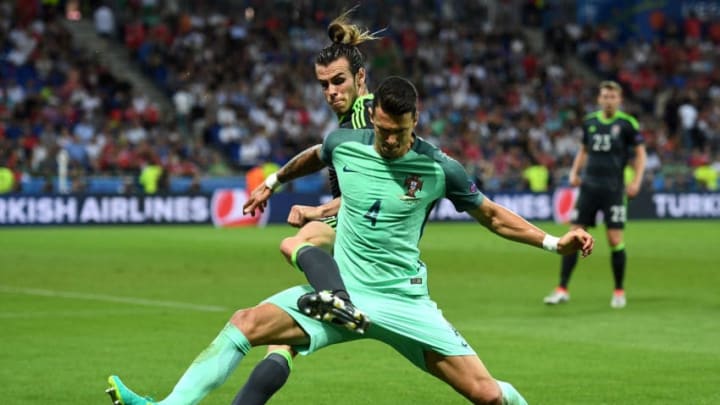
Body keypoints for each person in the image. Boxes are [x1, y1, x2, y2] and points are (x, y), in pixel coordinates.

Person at [106, 76, 594, 405]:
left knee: (487, 396)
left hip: (404, 302)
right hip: (343, 296)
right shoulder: (348, 145)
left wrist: (554, 243)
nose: (388, 141)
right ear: (374, 118)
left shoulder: (438, 168)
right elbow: (313, 155)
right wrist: (274, 183)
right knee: (245, 323)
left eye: (398, 133)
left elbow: (491, 216)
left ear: (414, 123)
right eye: (382, 130)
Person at [228, 10, 380, 405]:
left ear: (360, 78)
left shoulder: (367, 117)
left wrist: (316, 211)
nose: (329, 91)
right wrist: (275, 182)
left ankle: (340, 300)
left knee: (298, 241)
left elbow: (377, 191)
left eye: (338, 81)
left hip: (368, 236)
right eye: (323, 84)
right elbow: (316, 154)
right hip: (360, 239)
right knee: (278, 343)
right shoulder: (350, 122)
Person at [544, 80, 646, 309]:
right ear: (599, 99)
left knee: (614, 239)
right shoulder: (590, 122)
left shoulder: (627, 124)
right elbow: (583, 150)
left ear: (619, 100)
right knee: (574, 235)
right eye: (605, 96)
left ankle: (619, 290)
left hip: (614, 189)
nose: (608, 100)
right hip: (589, 187)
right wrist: (574, 172)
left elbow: (640, 154)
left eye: (613, 97)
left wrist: (636, 181)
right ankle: (562, 288)